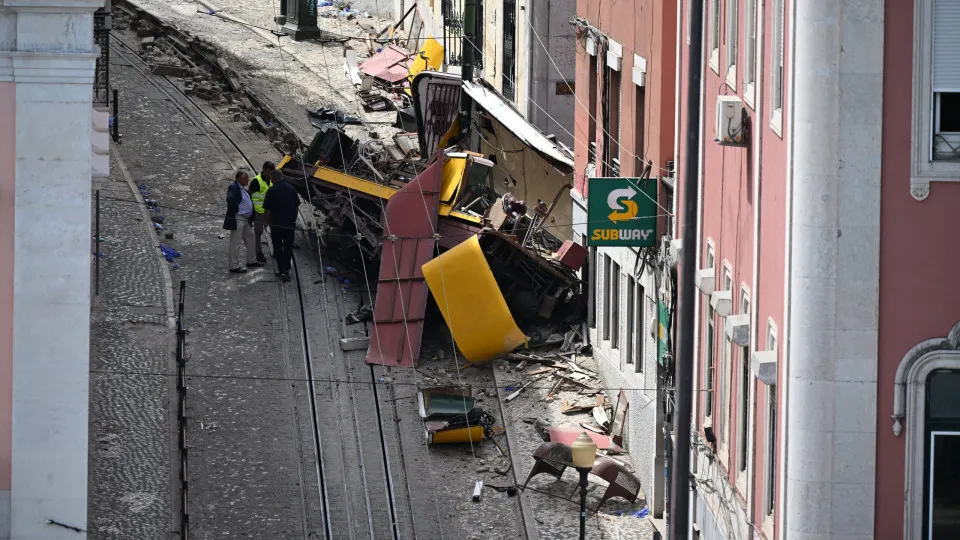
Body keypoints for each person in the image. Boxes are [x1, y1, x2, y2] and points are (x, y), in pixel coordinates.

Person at [262, 169, 300, 282]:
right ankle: (286, 270)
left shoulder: (271, 190)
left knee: (277, 247)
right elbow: (297, 206)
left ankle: (281, 269)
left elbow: (267, 210)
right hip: (289, 224)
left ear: (273, 179)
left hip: (276, 225)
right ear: (282, 177)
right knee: (288, 248)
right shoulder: (291, 189)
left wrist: (266, 222)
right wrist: (293, 220)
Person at [223, 170, 263, 273]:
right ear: (240, 179)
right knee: (235, 242)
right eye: (246, 178)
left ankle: (251, 260)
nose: (248, 180)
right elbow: (230, 199)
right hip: (239, 218)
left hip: (245, 219)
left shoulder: (242, 189)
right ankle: (234, 266)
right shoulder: (234, 187)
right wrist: (236, 210)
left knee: (251, 237)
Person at [248, 161, 275, 263]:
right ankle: (258, 253)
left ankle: (275, 250)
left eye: (271, 172)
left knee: (275, 231)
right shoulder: (256, 181)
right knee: (258, 233)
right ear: (263, 170)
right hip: (258, 212)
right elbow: (248, 194)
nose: (270, 174)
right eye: (268, 172)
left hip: (269, 212)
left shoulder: (271, 180)